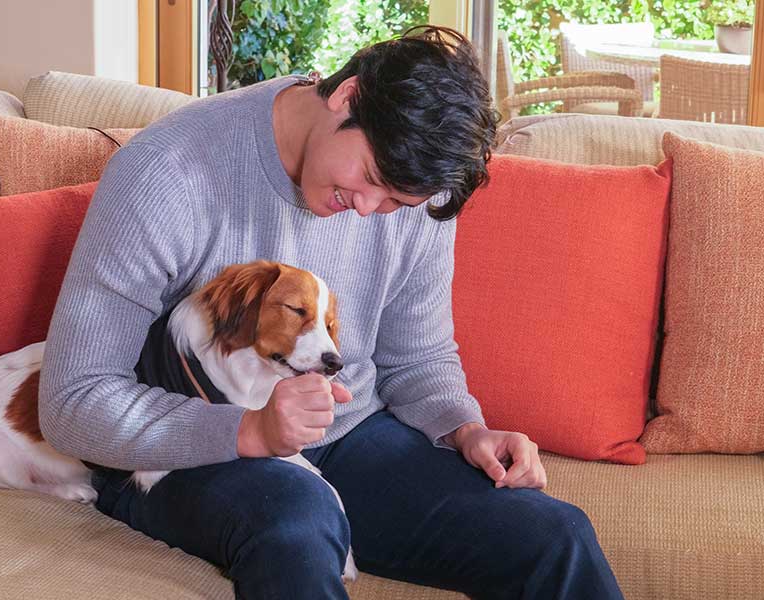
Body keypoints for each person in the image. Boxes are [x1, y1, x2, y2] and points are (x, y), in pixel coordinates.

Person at [38, 25, 624, 600]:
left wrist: (465, 429)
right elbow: (73, 402)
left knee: (555, 535)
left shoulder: (422, 185)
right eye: (370, 179)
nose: (369, 210)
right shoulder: (164, 173)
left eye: (397, 202)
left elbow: (417, 357)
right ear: (348, 96)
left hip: (346, 435)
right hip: (184, 445)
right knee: (297, 519)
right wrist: (251, 429)